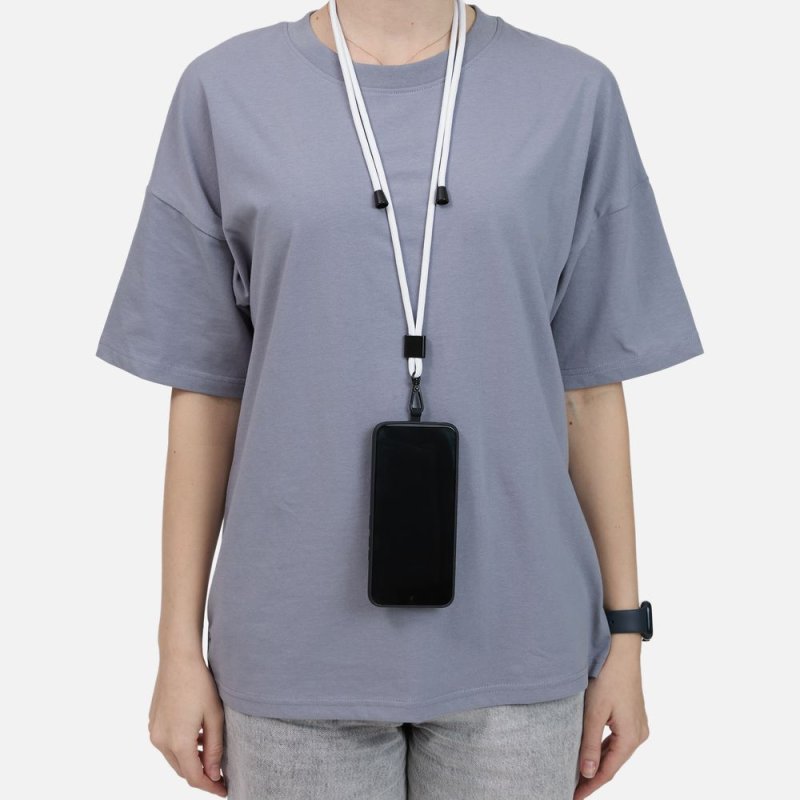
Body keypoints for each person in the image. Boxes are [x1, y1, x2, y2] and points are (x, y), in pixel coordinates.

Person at [95, 1, 703, 797]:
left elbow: (590, 390)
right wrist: (176, 649)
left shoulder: (573, 93)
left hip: (520, 642)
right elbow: (206, 393)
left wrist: (626, 634)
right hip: (292, 647)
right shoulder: (223, 91)